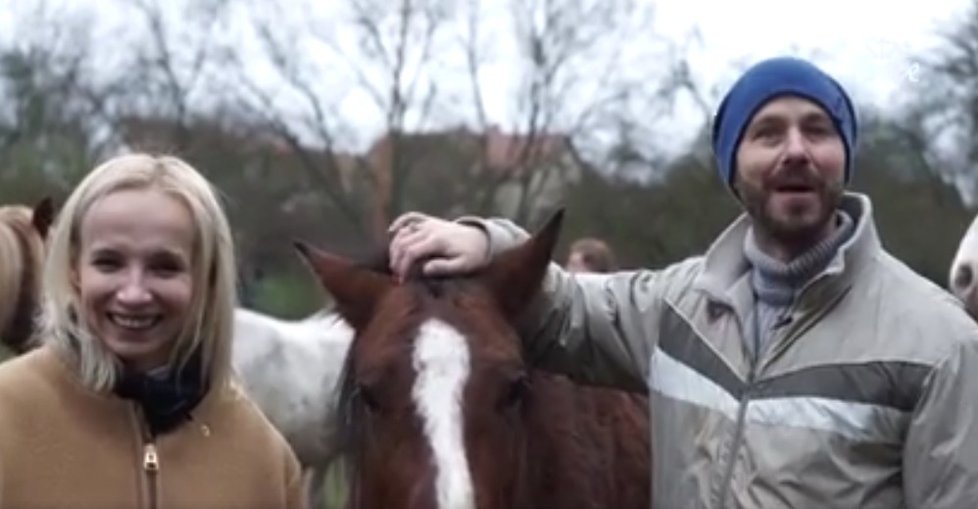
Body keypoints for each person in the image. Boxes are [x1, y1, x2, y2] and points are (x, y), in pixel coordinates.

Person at [386, 56, 978, 507]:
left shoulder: (939, 345)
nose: (795, 150)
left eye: (818, 130)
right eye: (767, 133)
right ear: (732, 168)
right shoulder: (678, 308)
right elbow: (565, 308)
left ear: (844, 157)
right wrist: (489, 244)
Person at [0, 153, 306, 508]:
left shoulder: (265, 461)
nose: (133, 294)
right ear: (74, 270)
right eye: (109, 263)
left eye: (164, 267)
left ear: (207, 280)